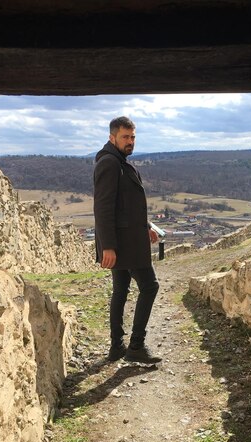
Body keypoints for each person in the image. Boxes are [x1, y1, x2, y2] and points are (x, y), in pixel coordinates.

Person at [93, 116, 162, 364]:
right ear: (112, 137)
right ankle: (136, 345)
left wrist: (146, 227)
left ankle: (116, 347)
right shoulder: (110, 164)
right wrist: (108, 246)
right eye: (125, 137)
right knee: (150, 286)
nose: (130, 141)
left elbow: (128, 206)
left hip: (128, 238)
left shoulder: (120, 162)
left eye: (133, 137)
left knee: (121, 290)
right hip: (123, 244)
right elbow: (103, 207)